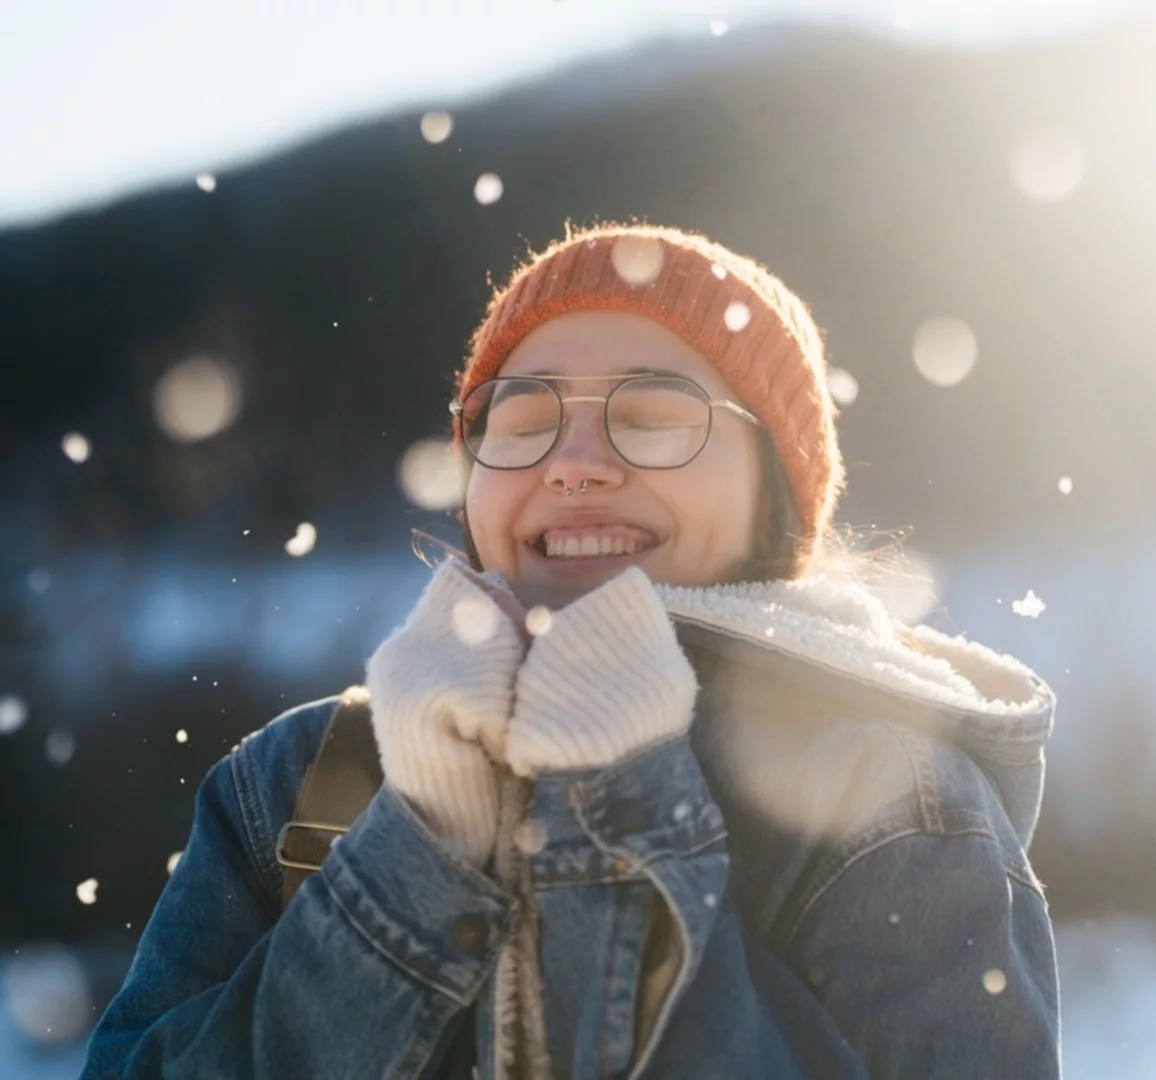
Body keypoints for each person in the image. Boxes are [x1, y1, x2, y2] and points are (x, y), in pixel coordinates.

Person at [82, 224, 1060, 1077]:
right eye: (523, 419)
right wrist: (421, 848)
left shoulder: (890, 798)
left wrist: (614, 809)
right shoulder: (296, 777)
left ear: (777, 495)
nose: (577, 463)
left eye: (653, 417)